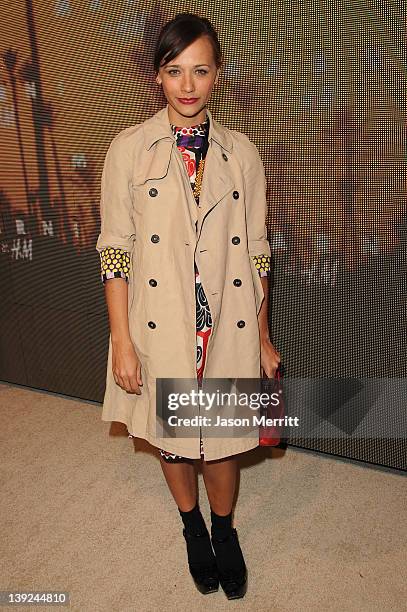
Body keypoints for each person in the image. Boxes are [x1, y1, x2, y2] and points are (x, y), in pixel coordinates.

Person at [96, 12, 281, 600]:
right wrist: (121, 339)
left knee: (220, 438)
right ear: (157, 76)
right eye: (174, 71)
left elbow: (256, 252)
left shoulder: (242, 154)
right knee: (175, 438)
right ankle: (191, 526)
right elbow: (115, 251)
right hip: (161, 322)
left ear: (218, 75)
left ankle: (224, 531)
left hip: (226, 322)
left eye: (200, 70)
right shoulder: (129, 150)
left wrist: (264, 336)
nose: (187, 84)